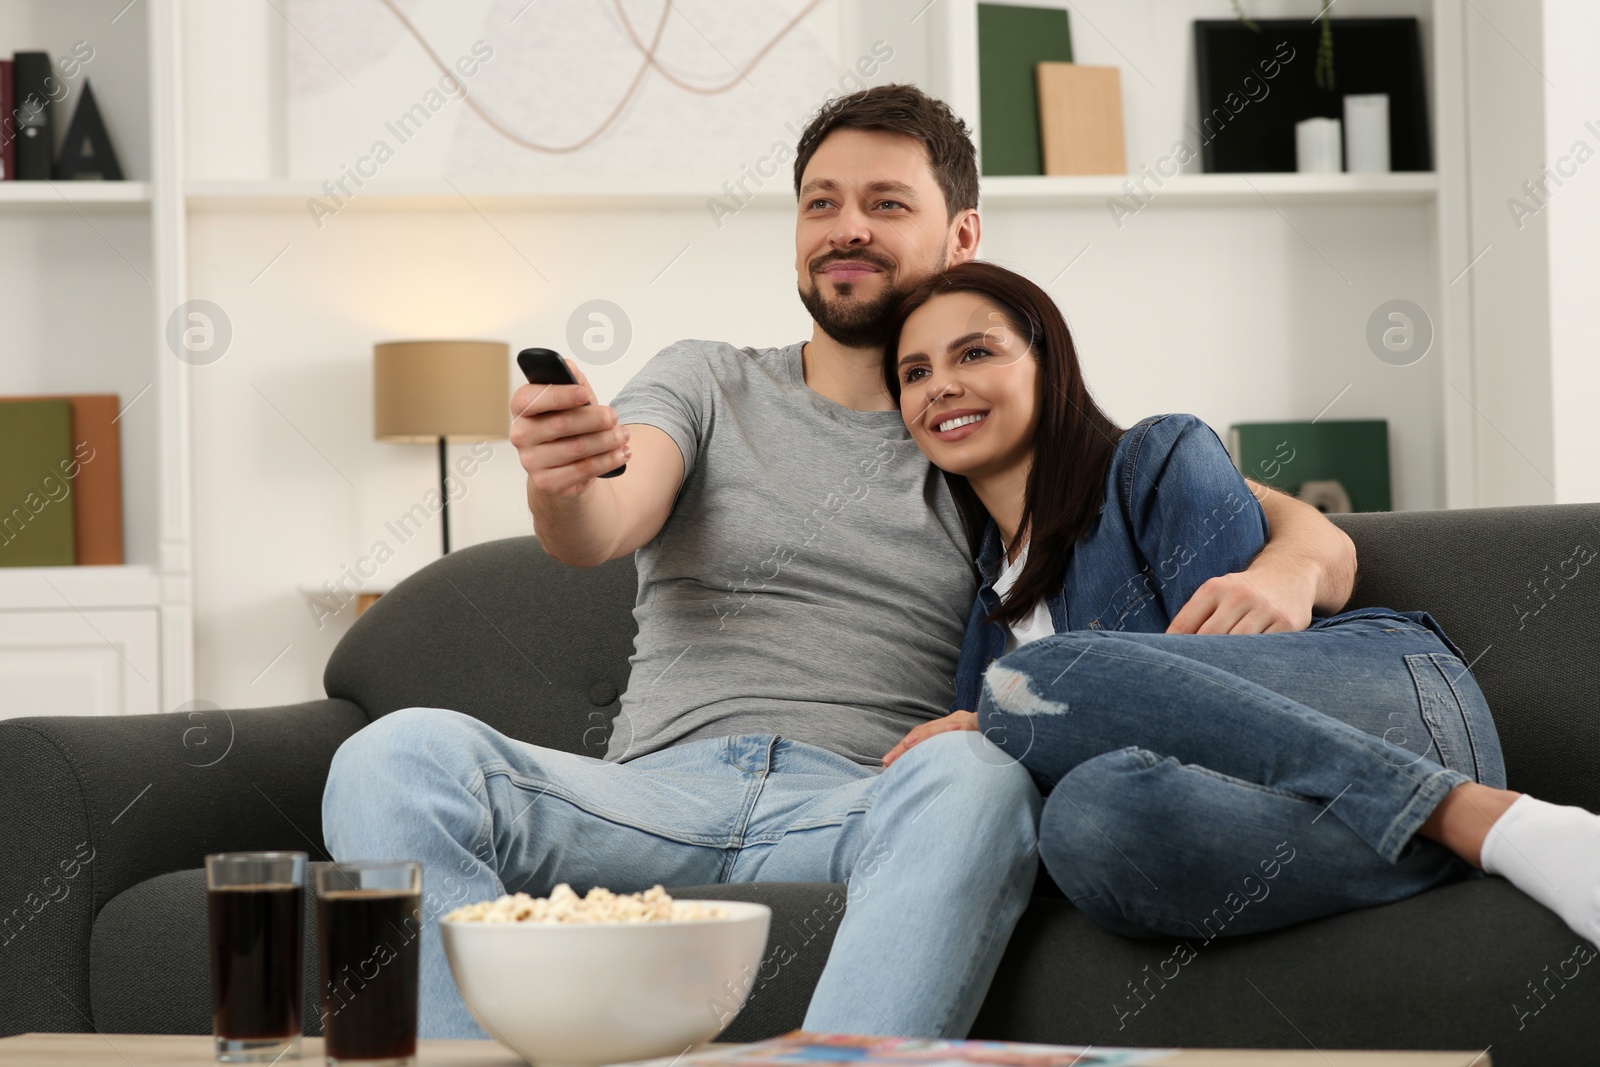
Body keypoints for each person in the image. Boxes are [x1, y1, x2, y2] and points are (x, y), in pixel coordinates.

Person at [321, 85, 1357, 1040]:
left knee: (976, 775)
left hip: (861, 803)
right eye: (820, 203)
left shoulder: (984, 424)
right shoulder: (708, 381)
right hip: (642, 801)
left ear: (960, 236)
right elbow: (600, 519)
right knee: (392, 755)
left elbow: (1234, 500)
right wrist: (561, 475)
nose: (845, 226)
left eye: (883, 202)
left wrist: (1296, 564)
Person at [878, 260, 1600, 949]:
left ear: (1048, 362)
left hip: (1391, 712)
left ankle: (1477, 810)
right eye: (916, 373)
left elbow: (1230, 682)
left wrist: (998, 722)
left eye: (974, 353)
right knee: (1088, 822)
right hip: (1296, 806)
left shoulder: (1158, 459)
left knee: (1023, 691)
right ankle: (1474, 843)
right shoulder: (981, 620)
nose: (941, 385)